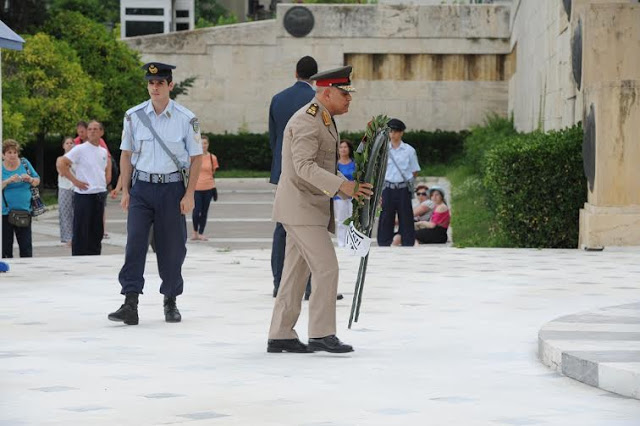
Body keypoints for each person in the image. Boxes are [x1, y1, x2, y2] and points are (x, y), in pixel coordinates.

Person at [267, 65, 373, 354]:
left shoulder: (323, 118)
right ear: (327, 93)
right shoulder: (307, 121)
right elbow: (303, 166)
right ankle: (321, 333)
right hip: (301, 208)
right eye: (344, 94)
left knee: (294, 274)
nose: (349, 99)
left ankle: (280, 335)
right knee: (326, 268)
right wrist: (343, 185)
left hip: (307, 207)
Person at [108, 62, 203, 326]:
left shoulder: (187, 118)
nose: (155, 87)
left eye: (160, 83)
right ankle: (130, 301)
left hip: (172, 189)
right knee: (135, 244)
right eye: (151, 83)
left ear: (170, 85)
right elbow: (126, 155)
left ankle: (170, 299)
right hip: (142, 189)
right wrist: (126, 190)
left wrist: (189, 194)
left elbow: (196, 159)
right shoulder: (134, 116)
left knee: (172, 248)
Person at [269, 56, 318, 299]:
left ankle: (280, 282)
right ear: (315, 76)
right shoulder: (317, 100)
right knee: (309, 227)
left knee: (282, 227)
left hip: (283, 172)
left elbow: (274, 139)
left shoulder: (278, 99)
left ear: (295, 72)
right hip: (310, 174)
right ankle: (309, 285)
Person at [56, 121, 111, 256]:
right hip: (84, 194)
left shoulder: (103, 151)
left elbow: (103, 169)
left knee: (97, 230)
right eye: (90, 129)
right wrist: (75, 181)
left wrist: (105, 182)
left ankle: (94, 255)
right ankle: (79, 257)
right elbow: (62, 163)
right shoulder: (80, 149)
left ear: (101, 132)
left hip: (99, 193)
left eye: (95, 129)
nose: (92, 131)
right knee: (82, 230)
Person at [376, 118, 420, 247]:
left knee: (406, 216)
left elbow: (414, 170)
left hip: (403, 188)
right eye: (391, 131)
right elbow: (379, 171)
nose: (393, 134)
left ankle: (408, 243)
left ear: (401, 133)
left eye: (396, 131)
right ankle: (383, 243)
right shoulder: (383, 150)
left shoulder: (409, 150)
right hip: (387, 187)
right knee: (386, 217)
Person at [2, 139, 40, 258]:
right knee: (5, 247)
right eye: (9, 152)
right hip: (4, 213)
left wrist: (30, 179)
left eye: (15, 152)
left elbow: (37, 181)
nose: (13, 155)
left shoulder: (25, 163)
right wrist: (8, 181)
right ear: (3, 155)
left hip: (24, 211)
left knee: (26, 247)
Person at [191, 135, 219, 241]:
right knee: (196, 210)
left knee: (204, 211)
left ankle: (201, 232)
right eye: (201, 143)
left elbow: (212, 173)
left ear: (208, 144)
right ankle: (195, 232)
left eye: (205, 143)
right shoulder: (194, 157)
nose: (203, 146)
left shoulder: (213, 157)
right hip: (196, 188)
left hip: (208, 188)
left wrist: (214, 189)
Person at [334, 139, 355, 247]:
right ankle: (341, 242)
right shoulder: (335, 164)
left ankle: (351, 241)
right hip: (340, 196)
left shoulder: (354, 163)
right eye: (341, 147)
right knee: (342, 219)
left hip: (353, 195)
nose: (343, 149)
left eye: (345, 147)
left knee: (353, 218)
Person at [57, 137, 75, 247]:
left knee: (76, 213)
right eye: (67, 143)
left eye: (71, 143)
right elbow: (62, 172)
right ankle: (67, 238)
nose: (69, 145)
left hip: (76, 187)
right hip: (64, 187)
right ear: (63, 146)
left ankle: (76, 236)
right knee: (65, 213)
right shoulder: (60, 158)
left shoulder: (78, 158)